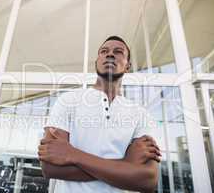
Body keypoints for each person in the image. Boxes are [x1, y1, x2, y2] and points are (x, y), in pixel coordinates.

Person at [38, 36, 161, 193]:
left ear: (128, 66)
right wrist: (127, 164)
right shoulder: (68, 100)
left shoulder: (140, 114)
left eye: (118, 52)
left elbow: (148, 180)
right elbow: (50, 168)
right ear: (96, 62)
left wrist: (72, 155)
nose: (110, 54)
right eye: (104, 51)